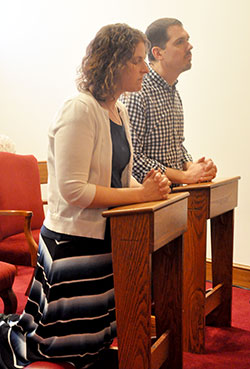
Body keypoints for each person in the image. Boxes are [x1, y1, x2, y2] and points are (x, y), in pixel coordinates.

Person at [0, 23, 170, 369]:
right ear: (115, 63)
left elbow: (119, 179)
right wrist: (140, 196)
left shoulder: (118, 111)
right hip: (73, 240)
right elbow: (73, 190)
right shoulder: (79, 109)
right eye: (137, 60)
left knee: (92, 336)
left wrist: (153, 189)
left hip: (104, 237)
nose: (144, 68)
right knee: (55, 344)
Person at [120, 17, 217, 185]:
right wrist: (185, 176)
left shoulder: (172, 91)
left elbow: (177, 147)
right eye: (180, 42)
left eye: (188, 40)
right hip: (148, 203)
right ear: (158, 53)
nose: (190, 46)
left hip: (172, 198)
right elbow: (132, 160)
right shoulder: (138, 92)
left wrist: (195, 167)